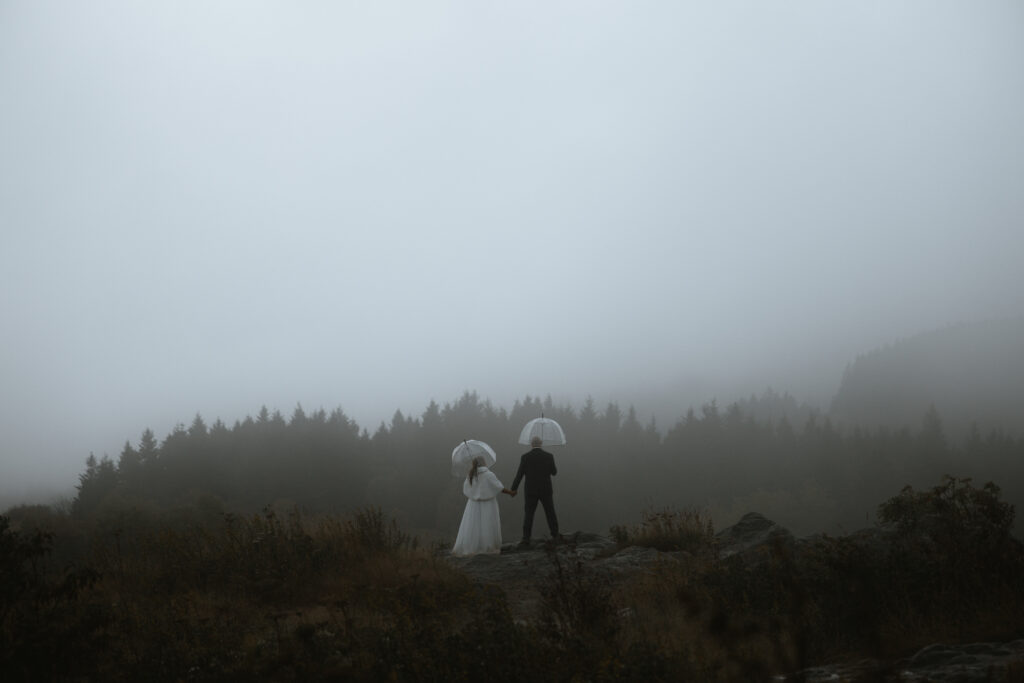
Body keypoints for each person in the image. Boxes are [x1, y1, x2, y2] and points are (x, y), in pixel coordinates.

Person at [452, 456, 514, 556]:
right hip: (488, 503)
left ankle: (472, 547)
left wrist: (474, 494)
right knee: (487, 523)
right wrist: (510, 492)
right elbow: (498, 487)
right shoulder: (488, 474)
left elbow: (466, 489)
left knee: (473, 524)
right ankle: (487, 546)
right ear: (483, 462)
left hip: (473, 504)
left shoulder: (471, 475)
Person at [509, 436, 559, 545]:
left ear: (531, 444)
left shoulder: (525, 457)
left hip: (530, 490)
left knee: (529, 514)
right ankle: (555, 534)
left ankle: (526, 538)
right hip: (546, 489)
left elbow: (519, 475)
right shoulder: (549, 456)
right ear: (541, 443)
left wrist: (513, 489)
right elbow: (554, 472)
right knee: (550, 512)